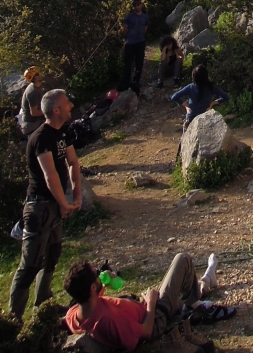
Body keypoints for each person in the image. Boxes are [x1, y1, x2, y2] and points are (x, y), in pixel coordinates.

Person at [9, 88, 81, 320]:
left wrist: (76, 196)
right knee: (30, 263)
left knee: (52, 254)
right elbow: (49, 176)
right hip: (39, 207)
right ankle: (13, 320)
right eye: (66, 103)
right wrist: (64, 203)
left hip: (55, 206)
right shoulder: (40, 138)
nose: (71, 105)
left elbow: (73, 163)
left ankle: (43, 305)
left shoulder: (62, 134)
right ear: (56, 110)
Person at [64, 252, 219, 351]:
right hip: (154, 317)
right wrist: (151, 303)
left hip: (143, 308)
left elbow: (92, 300)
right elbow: (146, 331)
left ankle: (206, 281)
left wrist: (103, 284)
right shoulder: (108, 320)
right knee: (182, 259)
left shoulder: (74, 314)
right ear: (92, 287)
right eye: (96, 274)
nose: (100, 274)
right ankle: (195, 298)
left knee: (178, 291)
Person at [170, 66, 229, 130]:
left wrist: (186, 106)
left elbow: (174, 97)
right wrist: (212, 103)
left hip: (191, 118)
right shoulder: (211, 87)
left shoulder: (191, 87)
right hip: (205, 118)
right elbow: (226, 97)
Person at [118, 0, 149, 94]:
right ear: (133, 6)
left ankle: (136, 81)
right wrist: (127, 37)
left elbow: (145, 28)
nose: (137, 6)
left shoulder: (145, 17)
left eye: (138, 4)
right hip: (130, 43)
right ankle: (126, 81)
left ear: (141, 5)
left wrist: (140, 36)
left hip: (140, 41)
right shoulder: (129, 17)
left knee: (139, 62)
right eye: (135, 5)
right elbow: (124, 29)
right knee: (128, 63)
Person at [18, 66, 45, 136]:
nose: (42, 74)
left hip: (36, 122)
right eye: (39, 74)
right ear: (36, 78)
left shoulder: (37, 87)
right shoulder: (32, 92)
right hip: (31, 125)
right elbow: (34, 113)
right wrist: (48, 110)